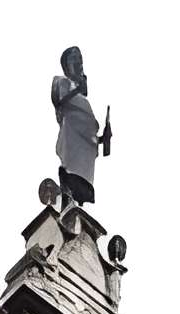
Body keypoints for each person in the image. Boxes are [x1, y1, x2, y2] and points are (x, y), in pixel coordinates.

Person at [51, 48, 112, 207]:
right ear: (66, 66)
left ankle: (77, 202)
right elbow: (59, 100)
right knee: (70, 179)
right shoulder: (61, 82)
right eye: (74, 59)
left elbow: (89, 136)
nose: (79, 64)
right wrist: (78, 88)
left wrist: (103, 138)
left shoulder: (84, 102)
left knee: (82, 188)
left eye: (80, 60)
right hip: (71, 142)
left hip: (85, 159)